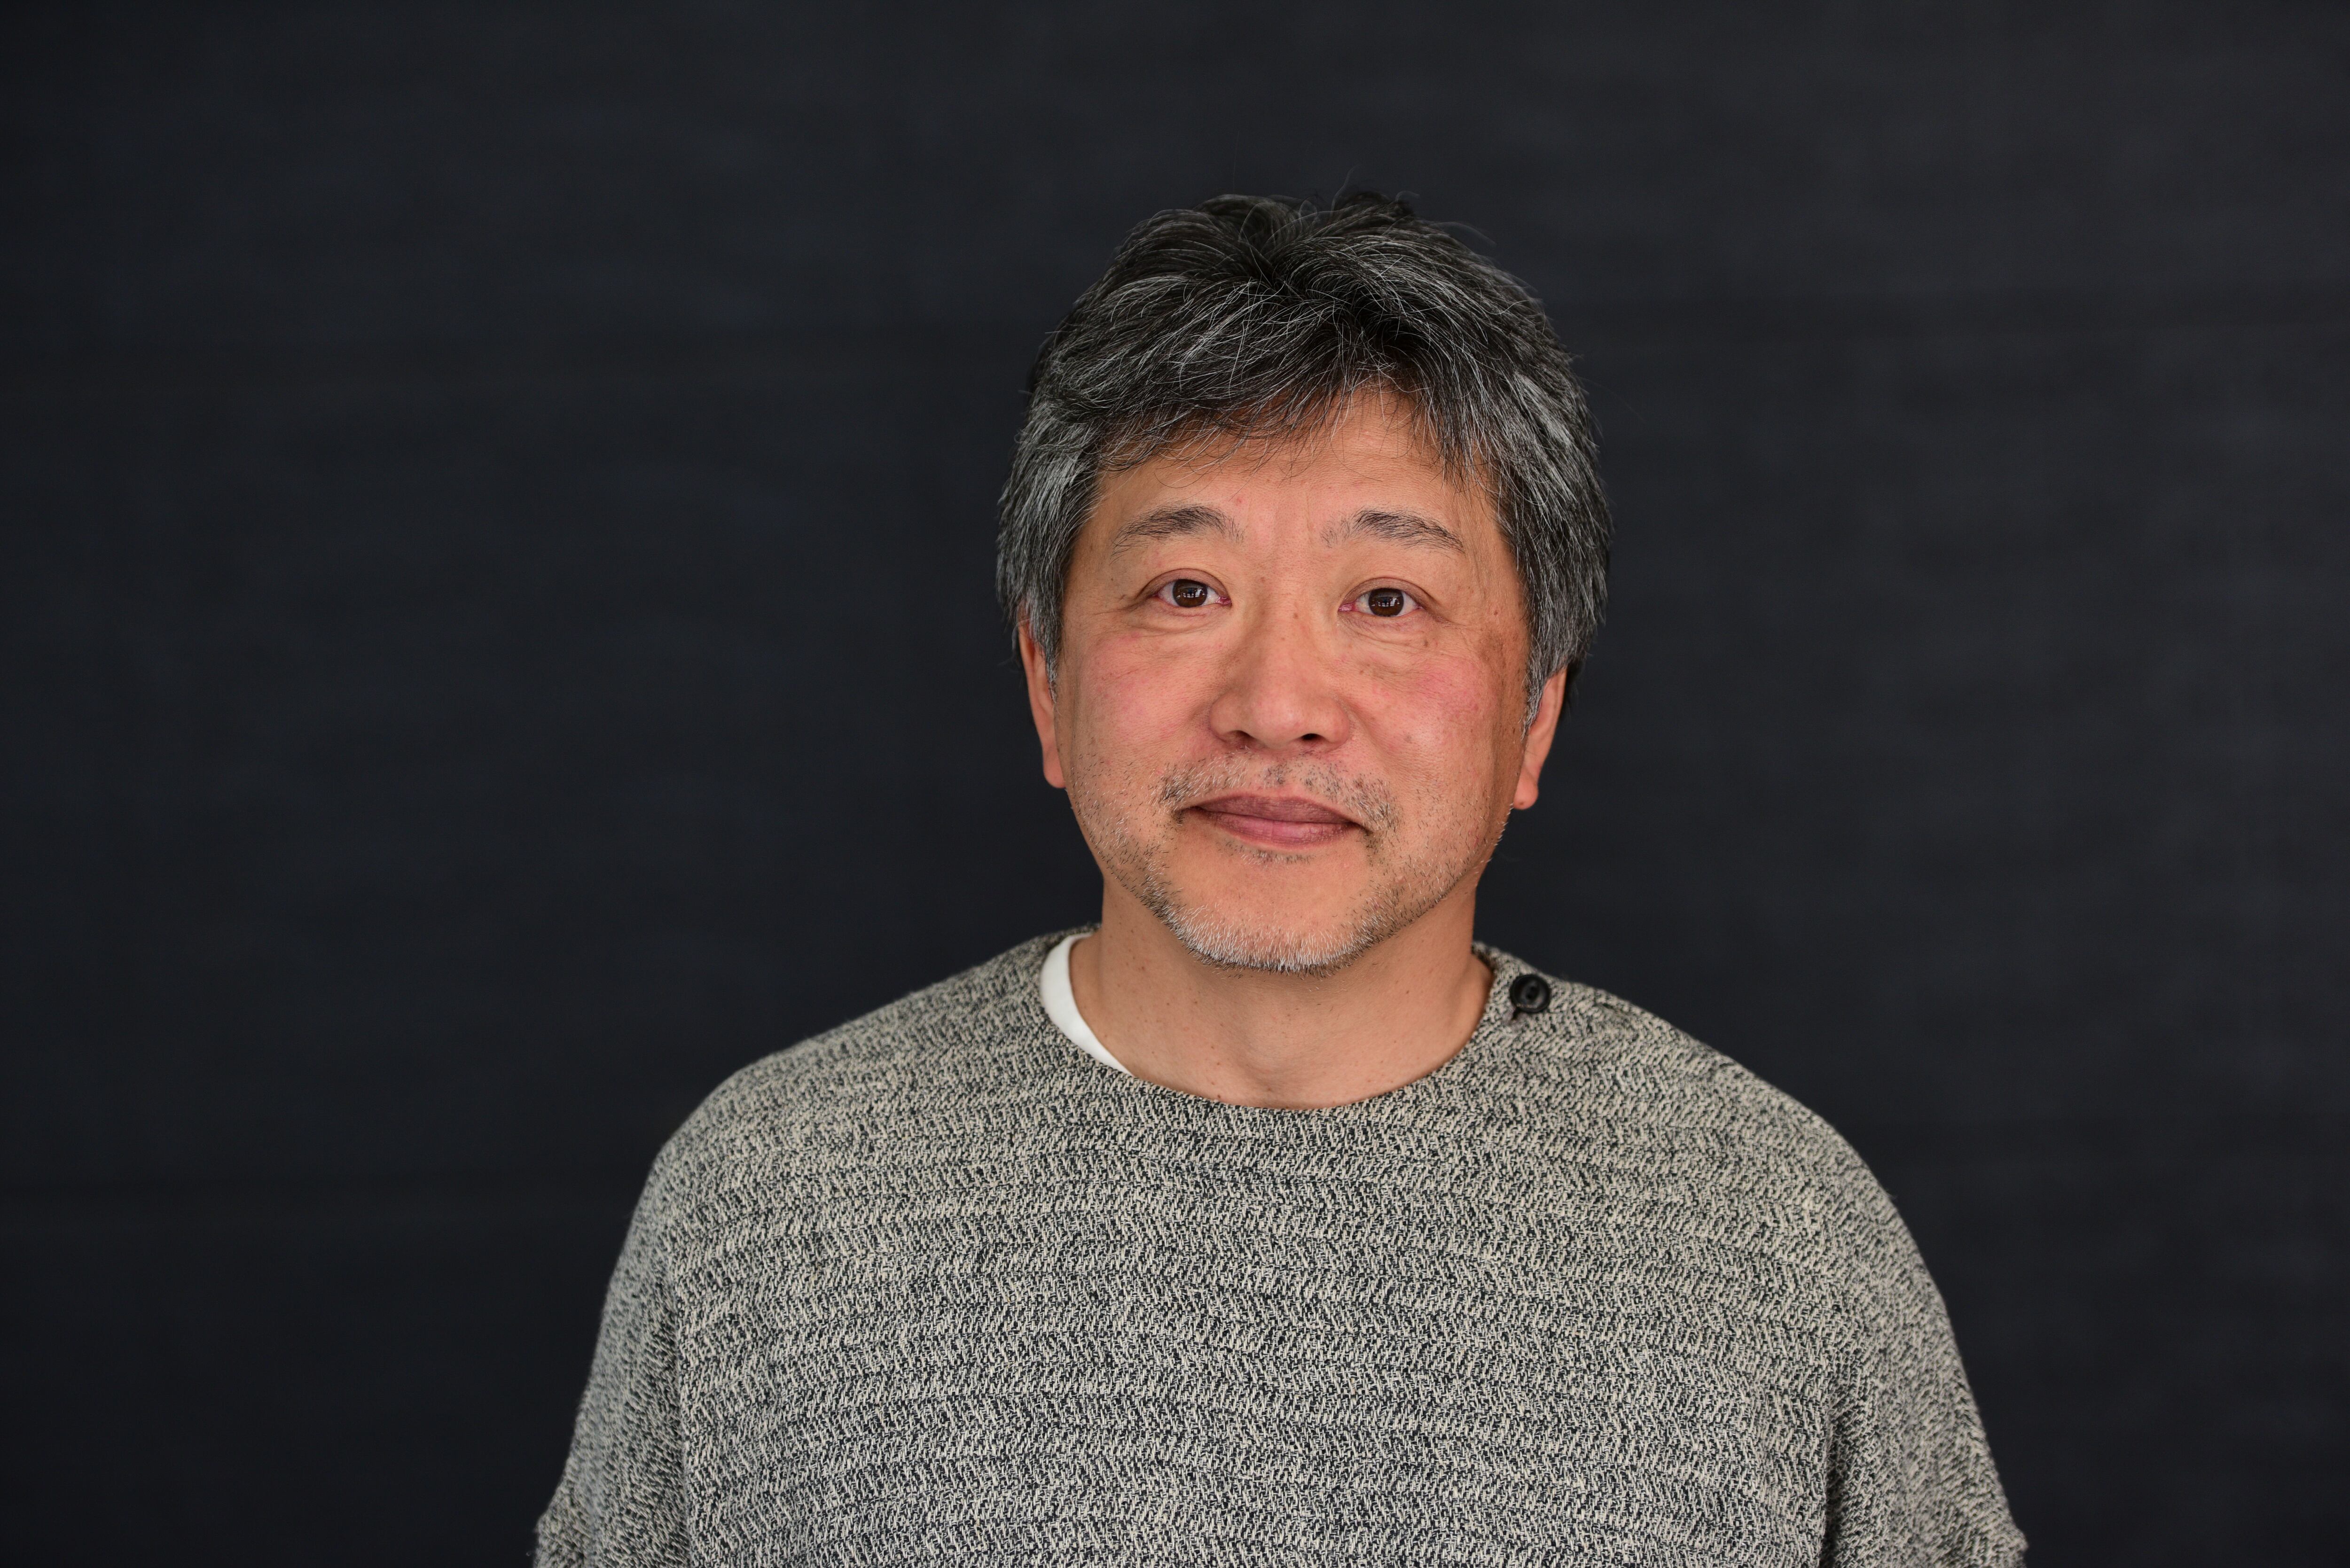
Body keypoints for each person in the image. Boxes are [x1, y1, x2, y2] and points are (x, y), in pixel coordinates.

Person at [536, 193, 2024, 1566]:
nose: (1278, 702)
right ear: (1047, 684)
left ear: (1536, 718)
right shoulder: (764, 1208)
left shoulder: (1776, 1237)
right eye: (1187, 590)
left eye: (1389, 599)